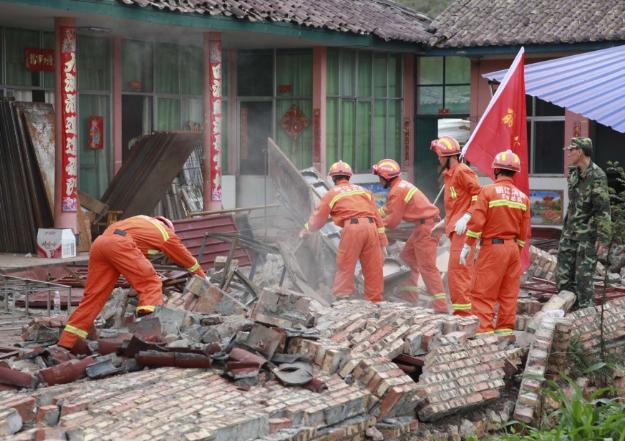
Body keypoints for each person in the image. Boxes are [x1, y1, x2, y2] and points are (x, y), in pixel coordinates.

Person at [58, 215, 205, 352]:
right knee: (151, 284)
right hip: (120, 244)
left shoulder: (139, 223)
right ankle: (148, 336)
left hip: (99, 244)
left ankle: (67, 342)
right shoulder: (166, 233)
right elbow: (187, 260)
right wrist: (203, 278)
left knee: (94, 296)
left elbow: (130, 263)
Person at [460, 150, 530, 335]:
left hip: (493, 248)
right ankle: (505, 332)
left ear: (496, 170)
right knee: (508, 294)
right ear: (515, 172)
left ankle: (484, 333)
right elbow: (524, 232)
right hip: (514, 248)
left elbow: (476, 223)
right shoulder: (523, 198)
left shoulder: (488, 192)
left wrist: (468, 245)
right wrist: (515, 249)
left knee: (483, 292)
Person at [300, 160, 387, 303]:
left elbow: (318, 218)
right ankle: (375, 302)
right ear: (349, 177)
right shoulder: (364, 191)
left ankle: (342, 298)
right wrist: (383, 243)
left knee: (346, 264)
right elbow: (377, 217)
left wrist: (306, 231)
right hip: (371, 228)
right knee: (373, 268)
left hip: (352, 229)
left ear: (333, 178)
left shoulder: (331, 193)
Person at [372, 159, 448, 312]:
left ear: (386, 177)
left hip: (426, 228)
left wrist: (373, 226)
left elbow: (392, 222)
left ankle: (441, 308)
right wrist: (373, 214)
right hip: (423, 226)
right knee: (407, 259)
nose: (379, 180)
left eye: (379, 176)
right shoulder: (401, 186)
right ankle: (410, 297)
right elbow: (388, 209)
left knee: (427, 267)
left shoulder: (397, 191)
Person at [555, 137, 612, 308]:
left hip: (586, 238)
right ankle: (566, 313)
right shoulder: (574, 174)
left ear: (580, 152)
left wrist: (603, 238)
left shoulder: (597, 176)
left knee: (583, 281)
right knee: (562, 277)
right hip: (569, 234)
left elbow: (603, 209)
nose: (568, 153)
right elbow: (572, 207)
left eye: (571, 150)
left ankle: (584, 317)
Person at [430, 136, 482, 315]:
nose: (438, 160)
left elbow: (479, 195)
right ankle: (466, 313)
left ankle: (463, 315)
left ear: (446, 156)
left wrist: (467, 217)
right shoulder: (450, 176)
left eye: (439, 156)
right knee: (460, 272)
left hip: (464, 231)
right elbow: (457, 205)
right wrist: (444, 223)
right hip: (457, 229)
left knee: (458, 273)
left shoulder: (461, 171)